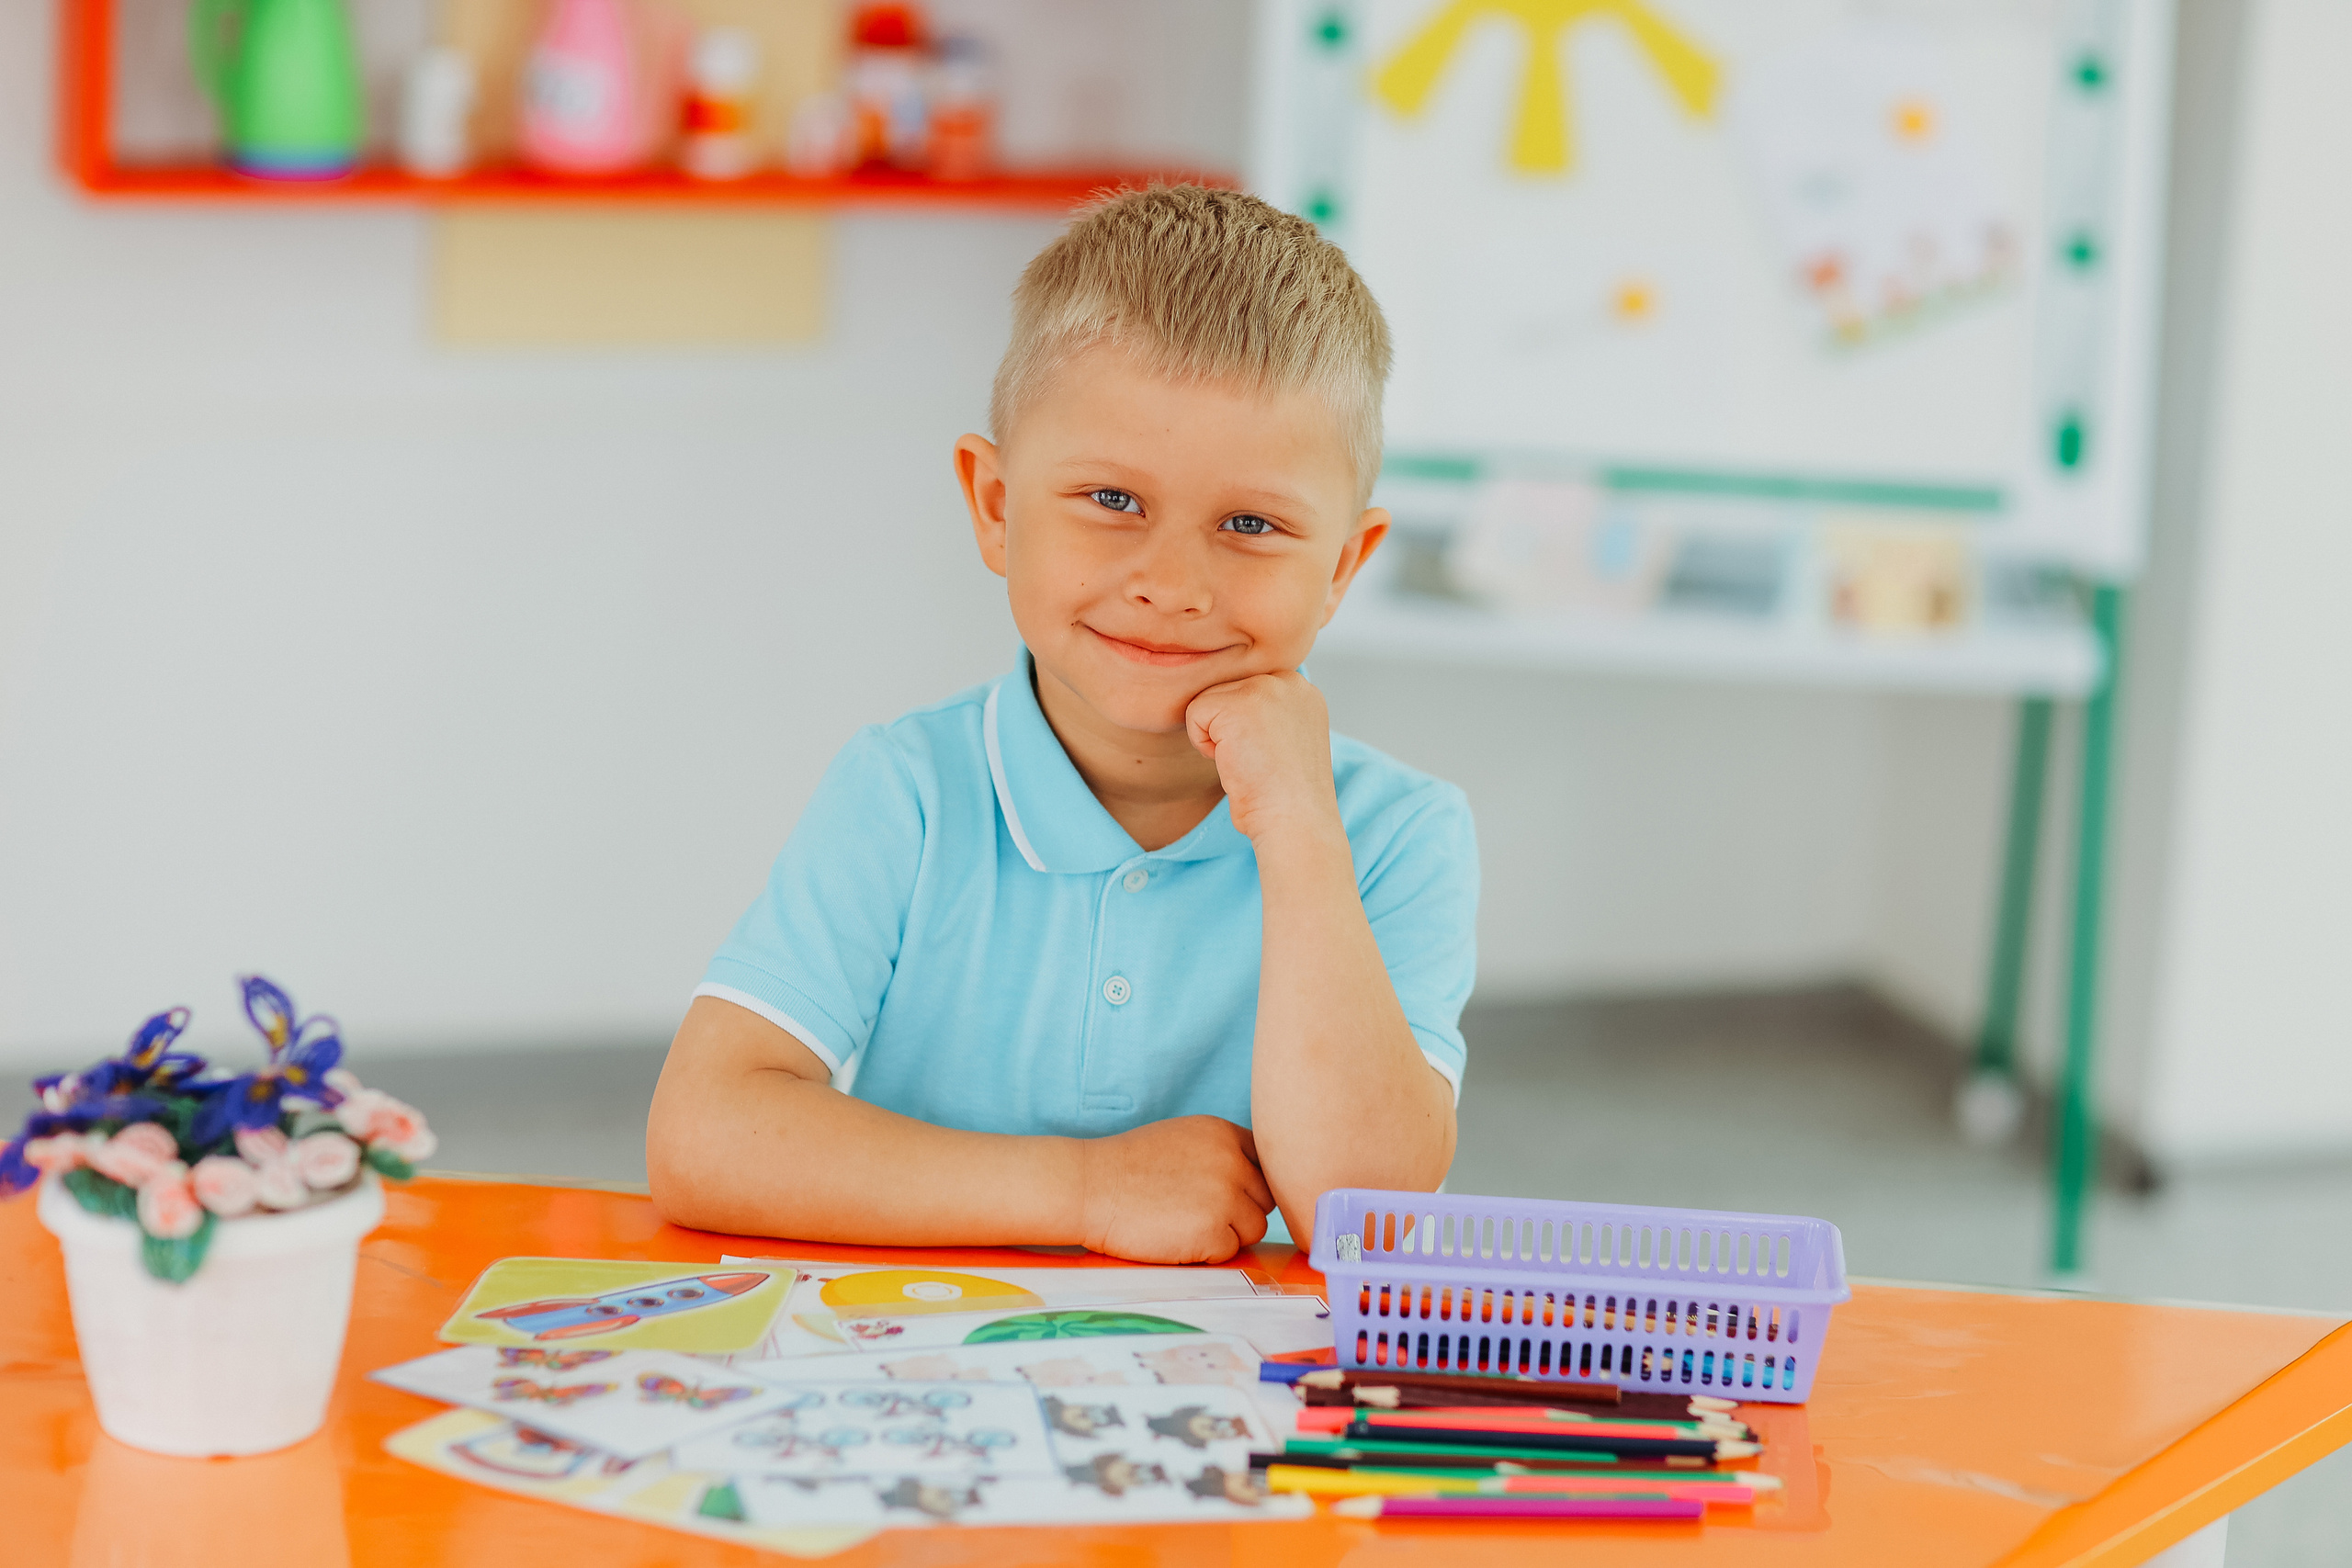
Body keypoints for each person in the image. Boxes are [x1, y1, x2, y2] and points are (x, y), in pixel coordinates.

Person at [647, 185, 1476, 1262]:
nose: (1173, 583)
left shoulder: (1397, 832)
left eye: (1251, 524)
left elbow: (1367, 1221)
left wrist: (1298, 828)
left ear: (1341, 569)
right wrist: (1082, 1191)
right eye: (1112, 502)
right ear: (995, 506)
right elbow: (703, 1139)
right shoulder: (907, 789)